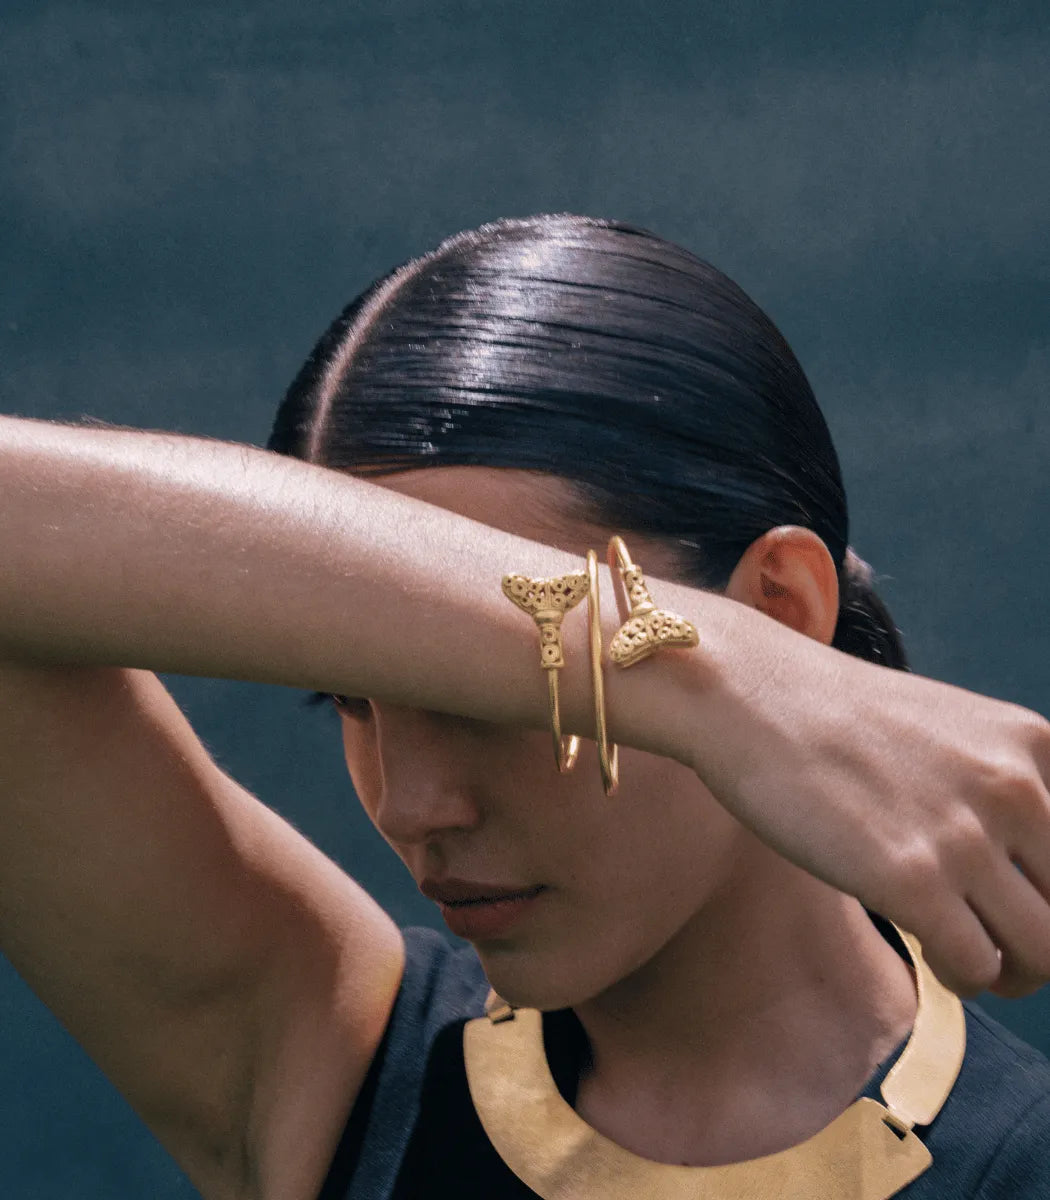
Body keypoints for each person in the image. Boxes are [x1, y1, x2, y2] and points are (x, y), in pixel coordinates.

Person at [1, 213, 1048, 1200]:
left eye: (493, 693)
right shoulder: (331, 1067)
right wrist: (706, 673)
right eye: (349, 696)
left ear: (780, 609)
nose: (413, 806)